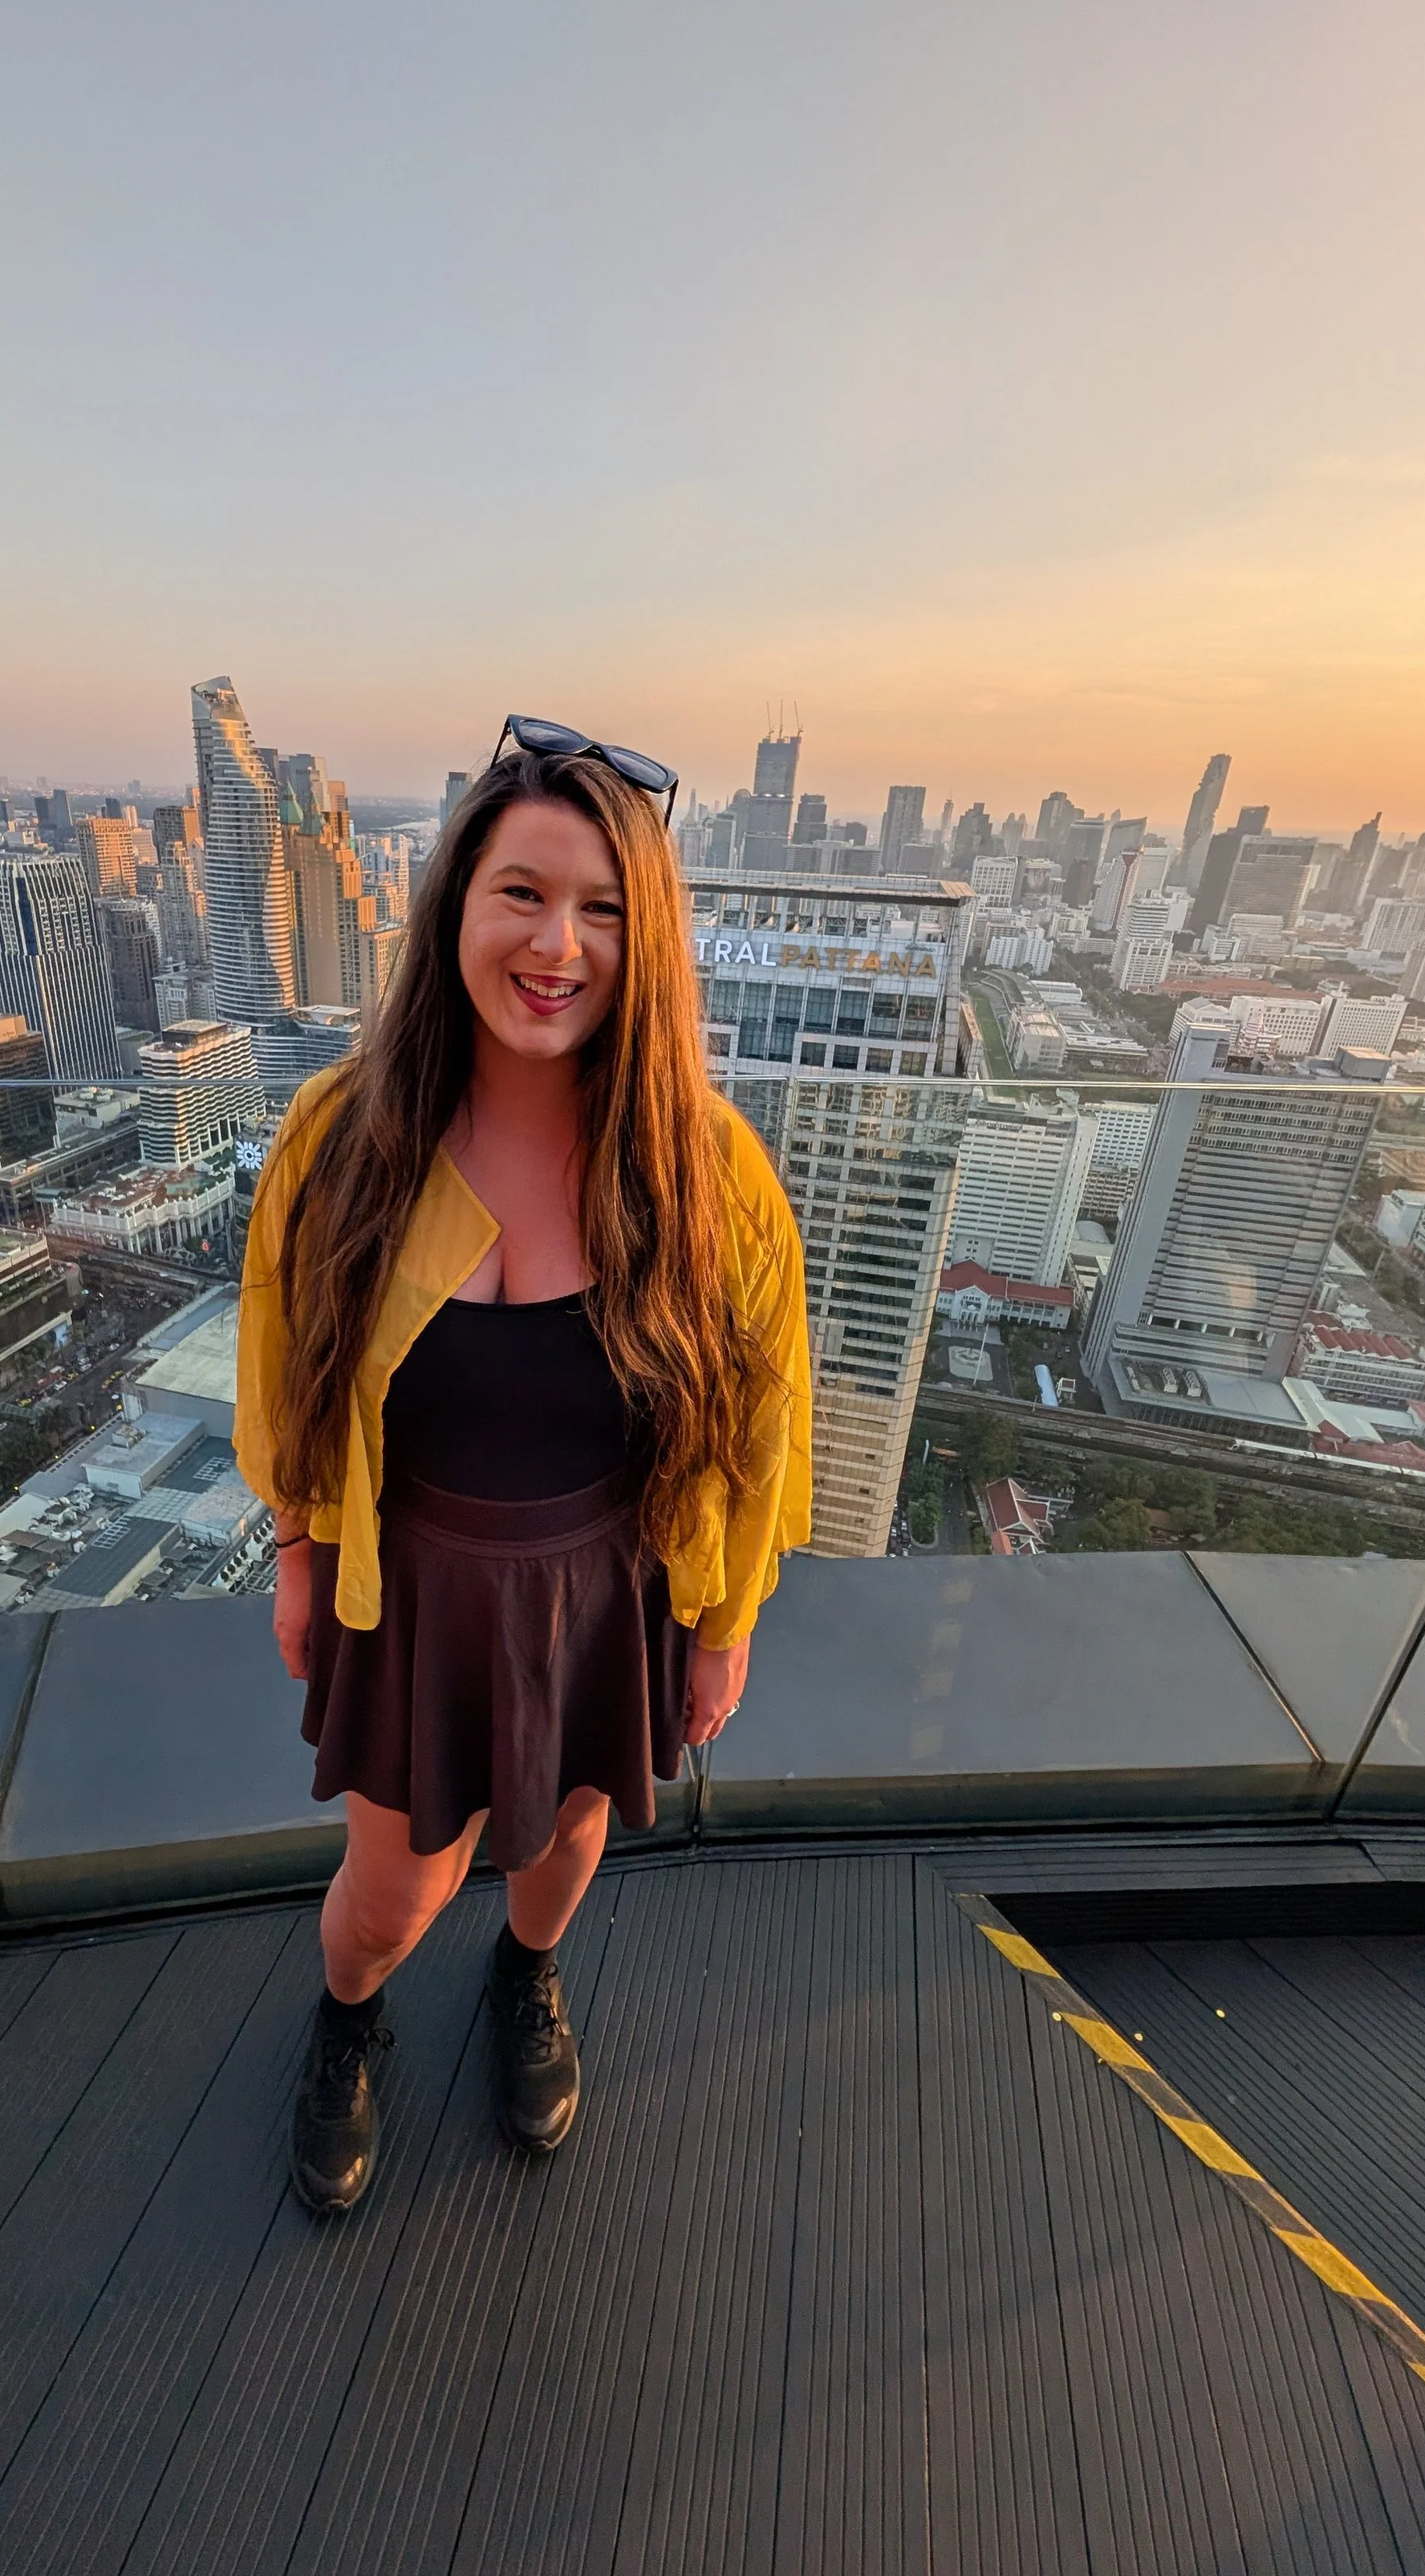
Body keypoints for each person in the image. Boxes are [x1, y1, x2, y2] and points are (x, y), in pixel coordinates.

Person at [235, 717, 810, 2215]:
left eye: (604, 908)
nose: (560, 943)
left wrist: (725, 1620)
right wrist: (300, 1548)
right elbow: (290, 1354)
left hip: (602, 1584)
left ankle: (528, 1981)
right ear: (455, 909)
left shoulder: (703, 1172)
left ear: (651, 942)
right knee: (389, 1893)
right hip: (410, 1579)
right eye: (523, 893)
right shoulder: (347, 1137)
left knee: (560, 1850)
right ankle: (347, 2017)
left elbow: (758, 1423)